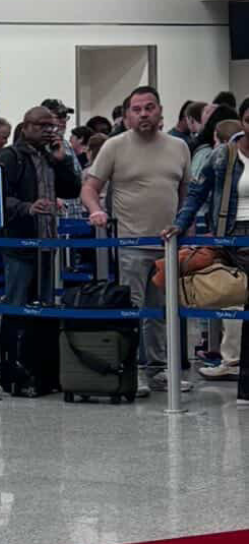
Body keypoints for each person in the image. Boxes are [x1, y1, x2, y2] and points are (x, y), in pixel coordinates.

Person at [83, 85, 192, 395]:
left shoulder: (179, 147)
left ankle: (157, 370)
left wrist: (185, 227)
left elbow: (185, 193)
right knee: (131, 310)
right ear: (128, 115)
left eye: (149, 107)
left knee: (161, 312)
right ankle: (130, 370)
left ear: (160, 111)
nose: (144, 114)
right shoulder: (114, 146)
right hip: (130, 244)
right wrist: (96, 211)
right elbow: (89, 188)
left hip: (168, 246)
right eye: (137, 109)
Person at [168, 100, 249, 392]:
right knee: (235, 298)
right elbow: (196, 193)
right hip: (233, 235)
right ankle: (234, 363)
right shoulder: (222, 155)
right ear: (242, 122)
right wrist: (180, 224)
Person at [0, 106, 82, 306]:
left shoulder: (50, 157)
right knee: (17, 303)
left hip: (47, 241)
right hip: (19, 244)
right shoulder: (10, 156)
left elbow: (72, 191)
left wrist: (62, 161)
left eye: (51, 126)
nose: (48, 131)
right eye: (42, 126)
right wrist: (27, 207)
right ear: (26, 127)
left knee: (44, 305)